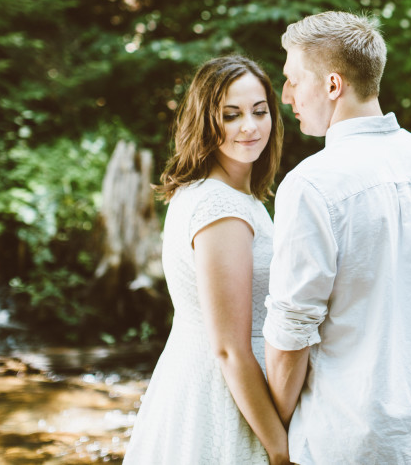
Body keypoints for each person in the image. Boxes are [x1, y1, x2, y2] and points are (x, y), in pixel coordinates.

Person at [263, 11, 411, 464]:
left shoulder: (311, 185)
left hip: (342, 439)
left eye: (293, 80)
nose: (285, 97)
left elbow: (291, 332)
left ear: (332, 85)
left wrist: (275, 430)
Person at [124, 55, 290, 465]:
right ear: (205, 121)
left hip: (214, 382)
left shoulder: (227, 196)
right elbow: (229, 349)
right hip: (225, 398)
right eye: (231, 115)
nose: (249, 127)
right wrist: (280, 448)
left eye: (259, 111)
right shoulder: (220, 209)